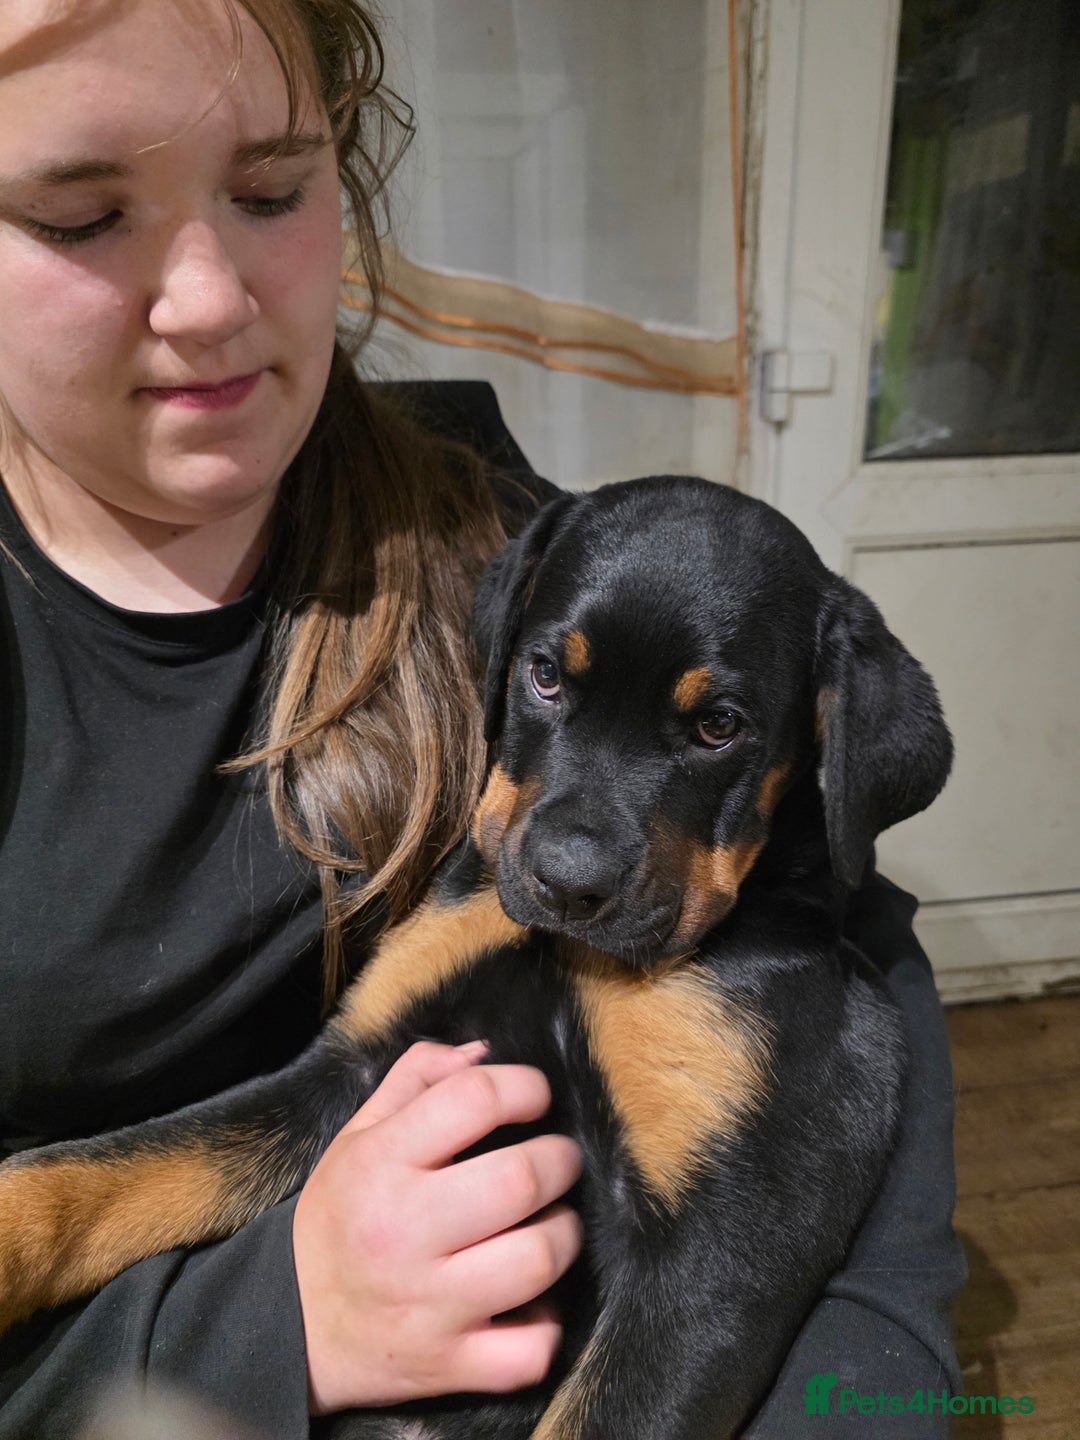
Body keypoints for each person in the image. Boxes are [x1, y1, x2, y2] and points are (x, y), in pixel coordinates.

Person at [0, 3, 966, 1437]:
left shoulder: (497, 530)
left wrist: (865, 1381)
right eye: (79, 217)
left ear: (348, 175)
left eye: (270, 189)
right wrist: (265, 1326)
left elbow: (845, 966)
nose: (206, 298)